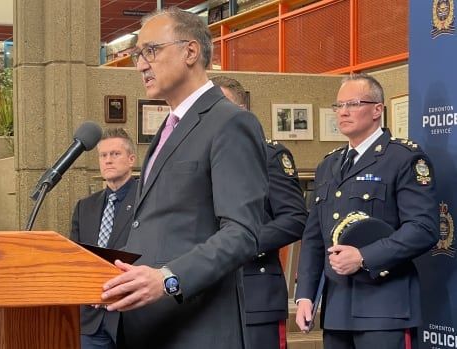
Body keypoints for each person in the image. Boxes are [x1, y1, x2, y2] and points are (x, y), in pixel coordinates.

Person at [101, 8, 268, 349]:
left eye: (151, 50)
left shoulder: (229, 123)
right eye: (137, 55)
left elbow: (242, 233)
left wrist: (168, 280)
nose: (141, 65)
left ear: (191, 52)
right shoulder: (167, 128)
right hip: (149, 325)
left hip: (197, 328)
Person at [295, 74, 439, 349]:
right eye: (338, 106)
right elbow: (315, 236)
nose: (343, 112)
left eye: (353, 103)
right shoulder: (329, 165)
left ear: (377, 110)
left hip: (384, 308)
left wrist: (364, 256)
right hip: (337, 311)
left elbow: (423, 228)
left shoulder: (403, 159)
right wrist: (305, 295)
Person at [213, 75, 308, 349]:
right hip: (211, 295)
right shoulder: (206, 158)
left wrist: (242, 243)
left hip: (256, 293)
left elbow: (294, 219)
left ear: (241, 110)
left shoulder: (269, 155)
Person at [70, 128, 139, 349]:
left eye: (115, 154)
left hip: (130, 317)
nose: (108, 160)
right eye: (103, 155)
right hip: (91, 320)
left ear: (131, 160)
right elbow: (75, 257)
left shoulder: (146, 201)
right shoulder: (85, 207)